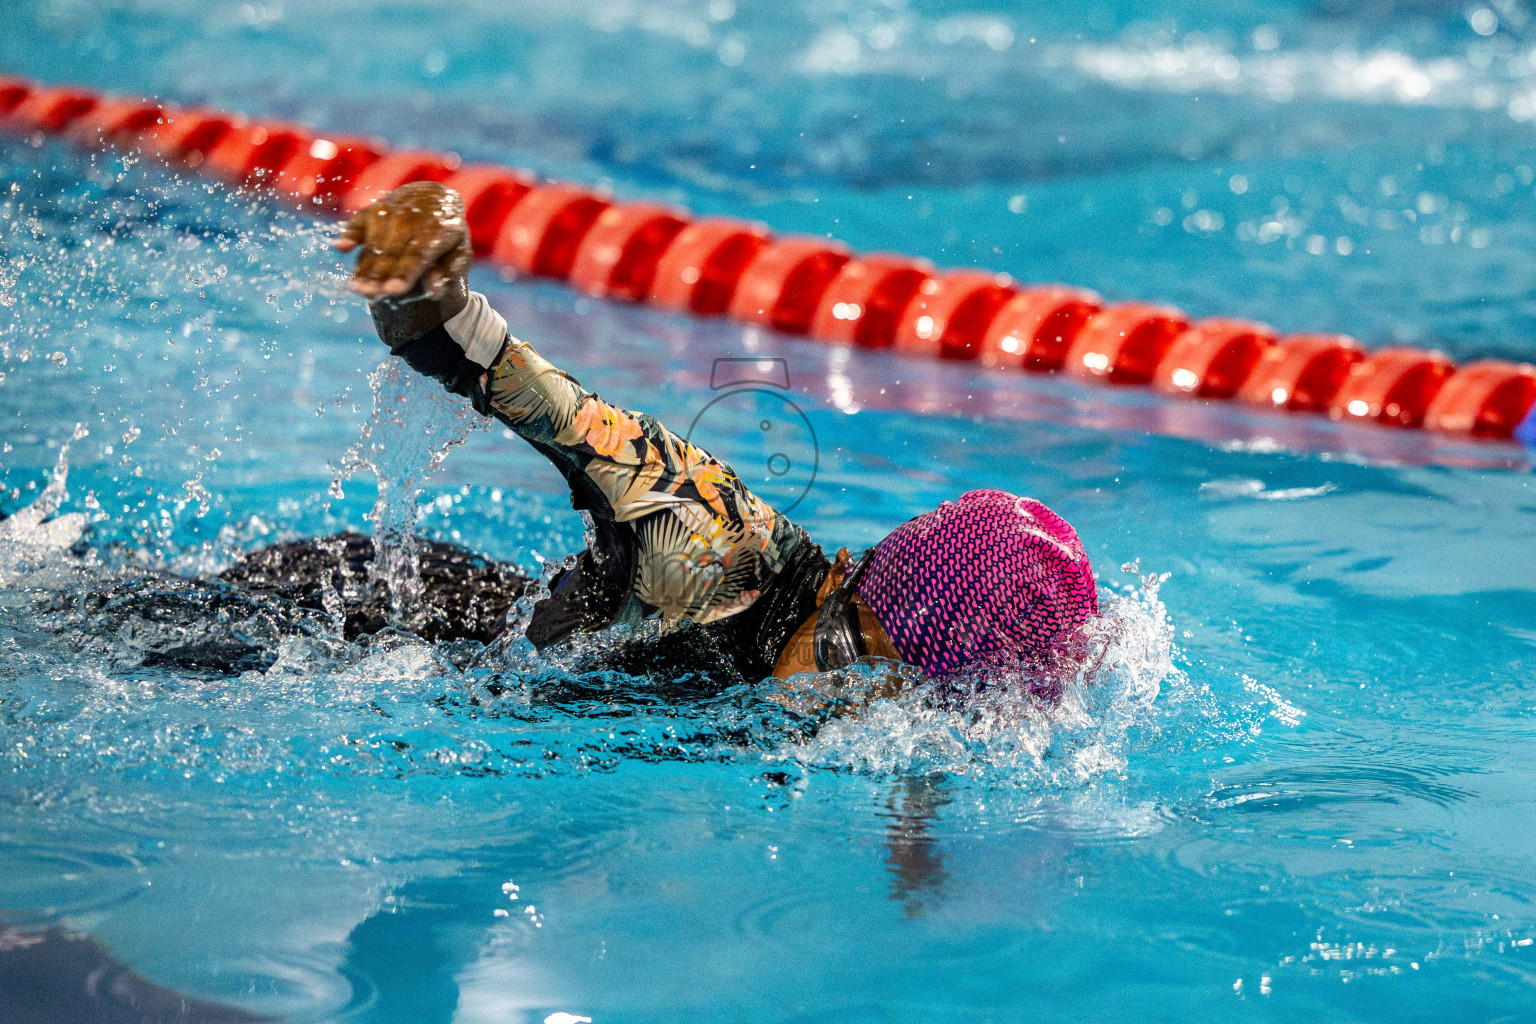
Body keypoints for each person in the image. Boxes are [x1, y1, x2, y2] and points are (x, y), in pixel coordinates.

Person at [331, 181, 1101, 693]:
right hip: (346, 632)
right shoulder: (712, 543)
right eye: (910, 690)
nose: (899, 715)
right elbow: (521, 383)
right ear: (880, 630)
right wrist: (426, 280)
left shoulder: (844, 647)